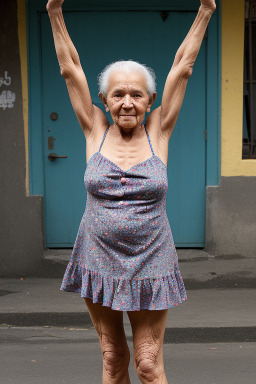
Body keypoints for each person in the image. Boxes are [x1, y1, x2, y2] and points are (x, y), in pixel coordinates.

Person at [47, 0, 216, 383]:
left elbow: (182, 67)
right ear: (104, 101)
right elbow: (69, 68)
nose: (127, 102)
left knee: (148, 363)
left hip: (151, 260)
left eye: (137, 95)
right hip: (97, 257)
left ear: (150, 101)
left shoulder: (160, 130)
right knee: (112, 359)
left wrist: (205, 10)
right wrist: (55, 11)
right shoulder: (94, 128)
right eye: (118, 94)